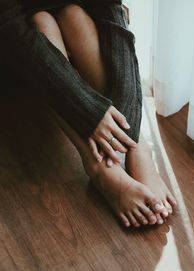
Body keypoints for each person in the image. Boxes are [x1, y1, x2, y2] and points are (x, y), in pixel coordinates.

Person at [0, 0, 177, 228]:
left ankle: (136, 145)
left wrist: (132, 128)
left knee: (74, 14)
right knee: (41, 21)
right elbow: (11, 29)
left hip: (67, 14)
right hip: (13, 41)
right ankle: (99, 168)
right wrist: (88, 111)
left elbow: (111, 11)